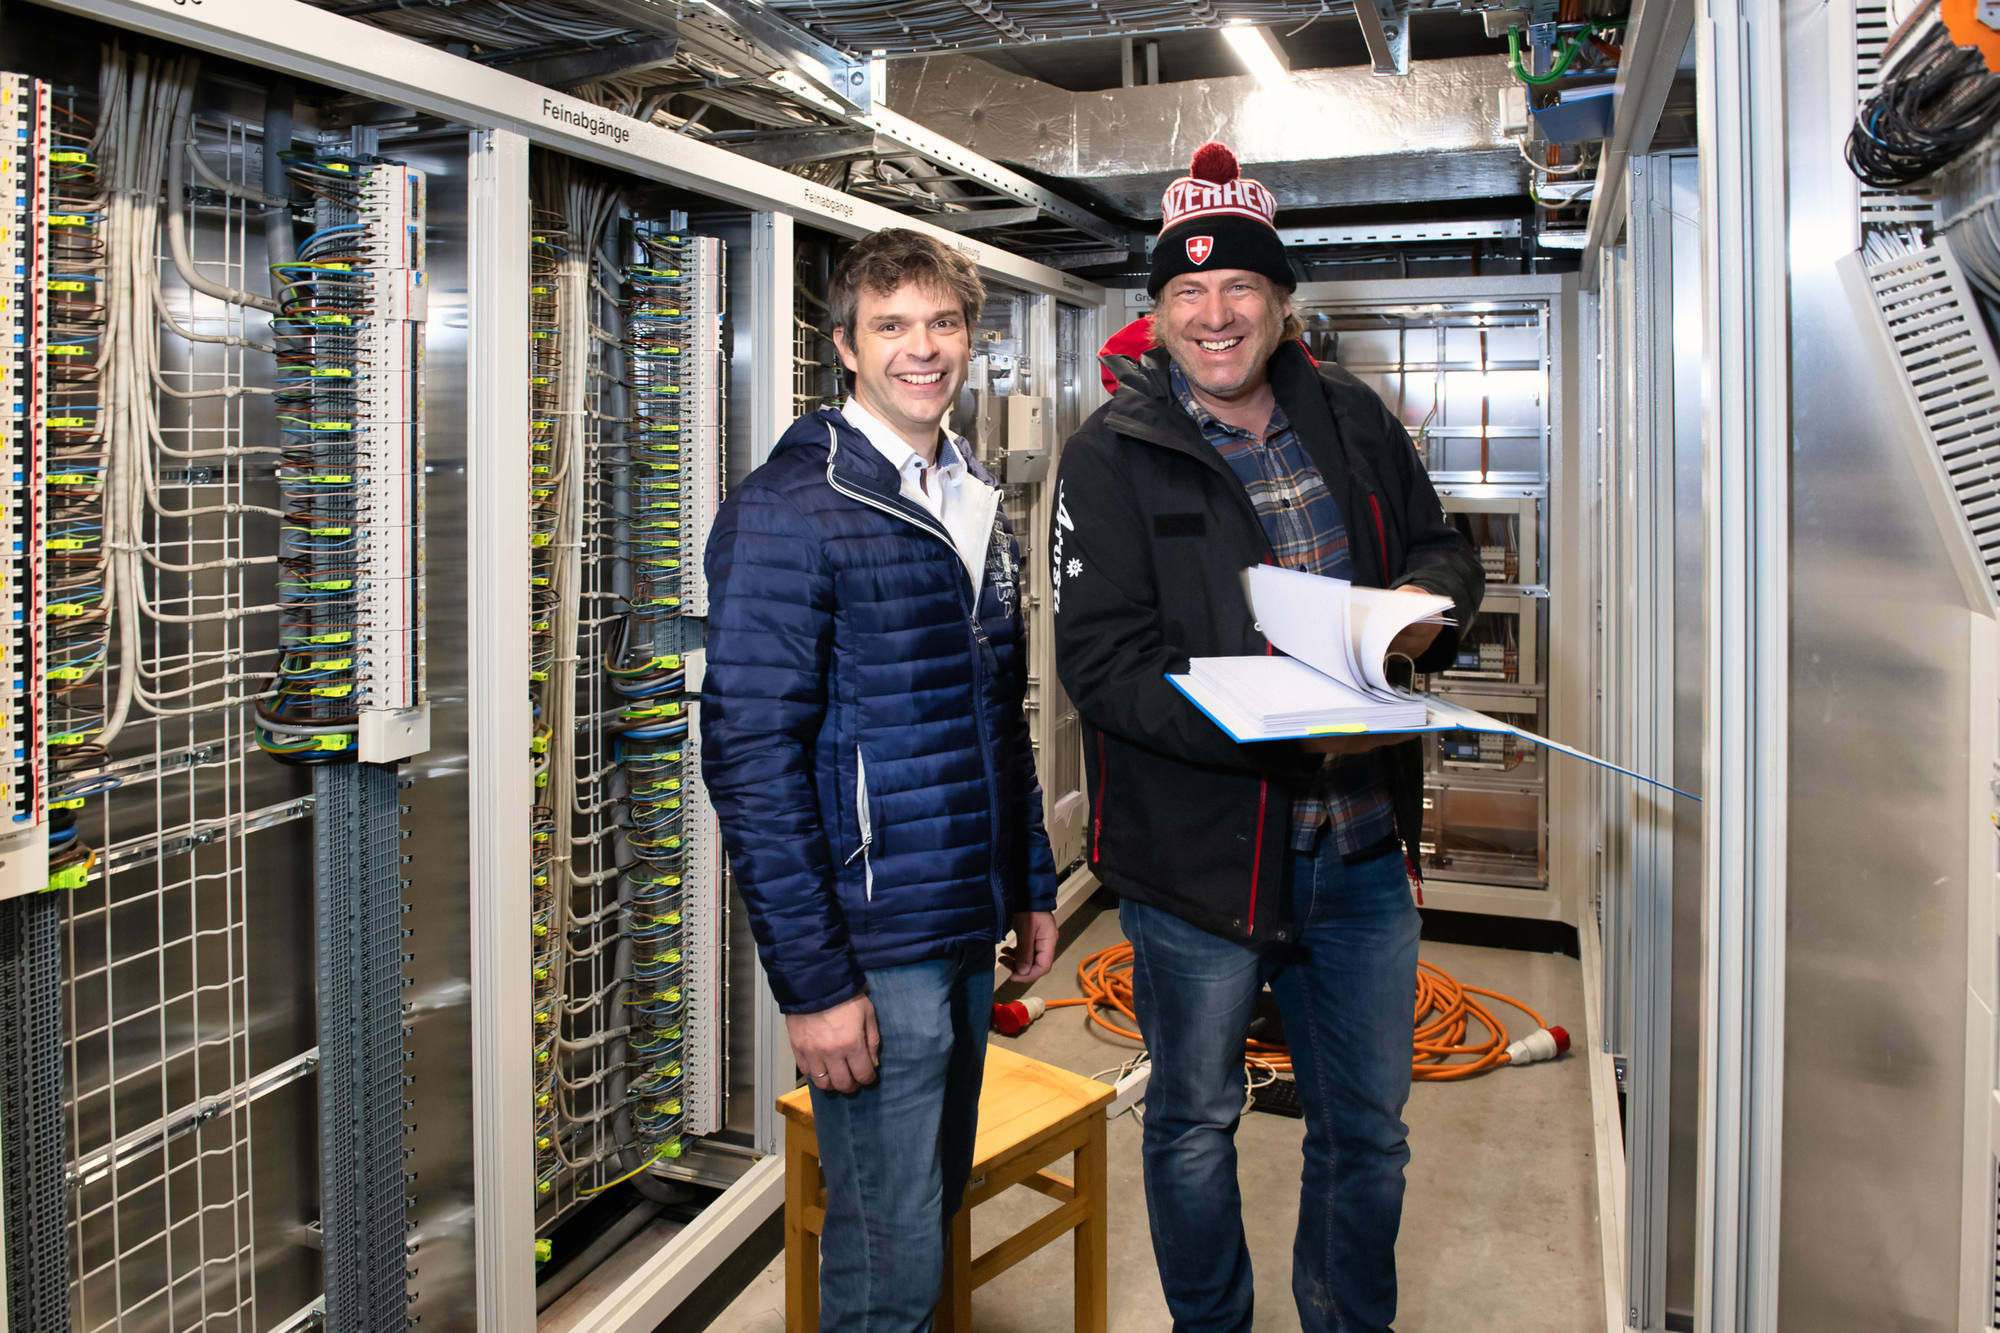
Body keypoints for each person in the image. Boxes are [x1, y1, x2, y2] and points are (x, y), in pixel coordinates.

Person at [1049, 142, 1484, 1333]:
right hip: (1196, 865)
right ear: (1156, 314)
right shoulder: (1109, 455)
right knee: (1192, 1124)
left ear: (1280, 301)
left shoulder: (1350, 419)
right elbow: (1100, 665)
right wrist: (1264, 721)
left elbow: (1441, 547)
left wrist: (1420, 619)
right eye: (1184, 292)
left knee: (1369, 1135)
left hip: (1356, 852)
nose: (1213, 312)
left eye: (1237, 286)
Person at [700, 228, 1059, 1330]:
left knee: (929, 1205)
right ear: (845, 348)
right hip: (871, 942)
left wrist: (1029, 879)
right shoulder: (788, 511)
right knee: (886, 1249)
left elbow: (998, 714)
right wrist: (812, 986)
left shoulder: (966, 491)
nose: (922, 348)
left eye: (941, 323)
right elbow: (750, 761)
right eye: (892, 325)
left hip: (958, 921)